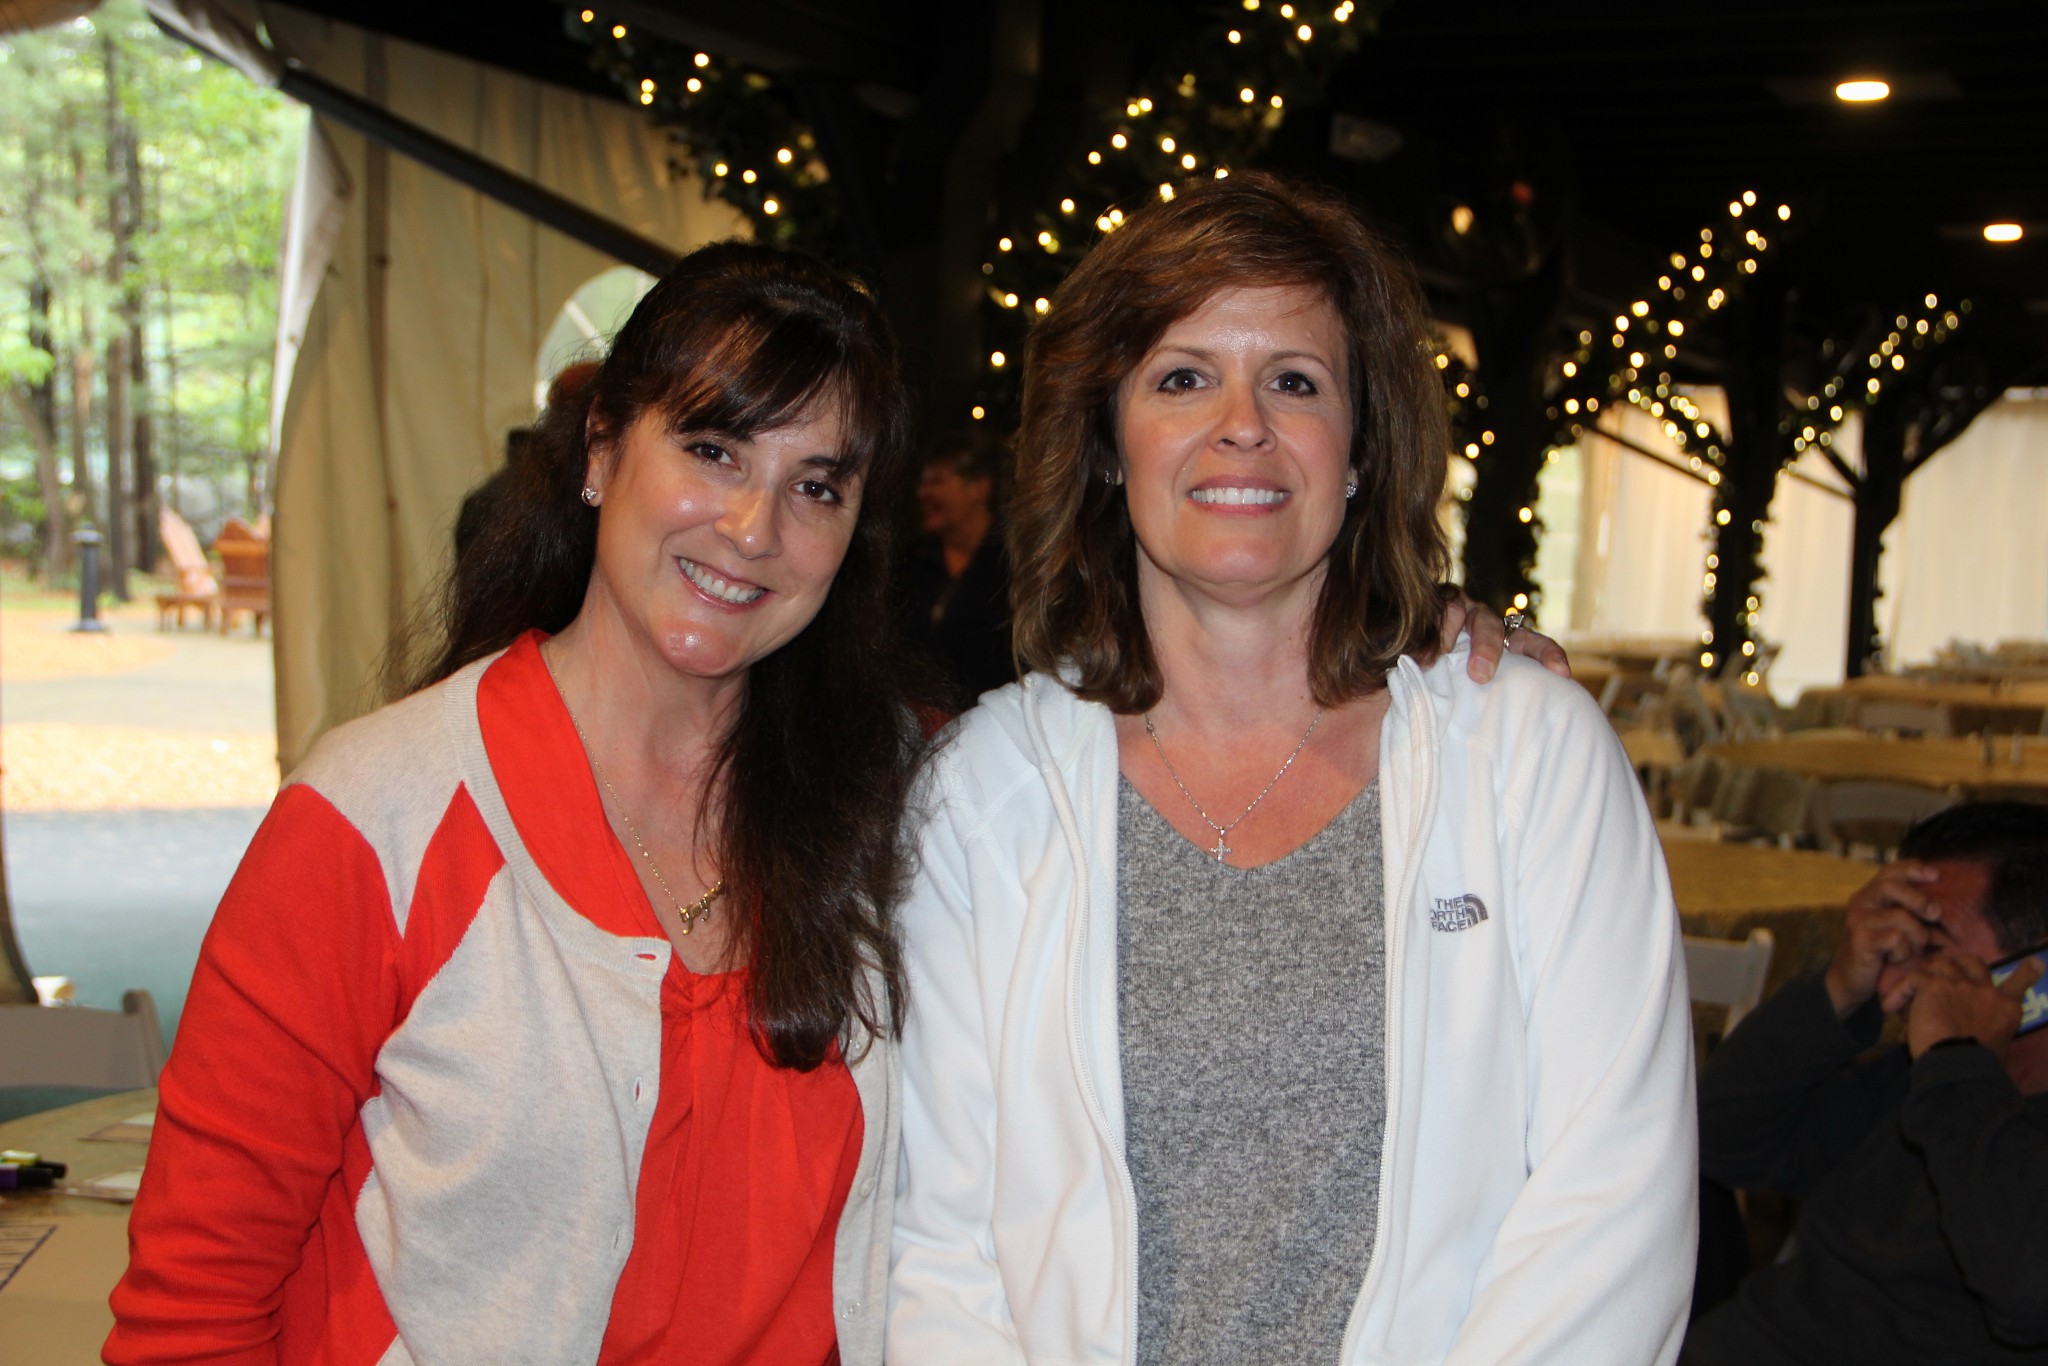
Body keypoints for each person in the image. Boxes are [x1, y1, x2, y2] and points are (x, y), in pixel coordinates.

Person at [887, 172, 1696, 1363]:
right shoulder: (981, 795)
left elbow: (1609, 1202)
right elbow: (938, 1245)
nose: (1242, 424)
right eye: (1181, 377)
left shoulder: (1526, 757)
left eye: (1294, 381)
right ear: (1106, 443)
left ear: (1359, 448)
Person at [107, 242, 925, 1365]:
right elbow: (191, 1309)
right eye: (712, 449)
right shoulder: (377, 815)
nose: (754, 527)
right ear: (601, 450)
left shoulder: (893, 814)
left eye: (815, 486)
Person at [1684, 802, 2048, 1366]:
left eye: (1929, 950)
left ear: (2038, 977)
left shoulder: (1953, 1081)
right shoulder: (1914, 1081)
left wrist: (1957, 1063)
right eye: (1891, 948)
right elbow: (1717, 1140)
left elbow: (2029, 1290)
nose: (1893, 982)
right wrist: (1839, 990)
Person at [895, 429, 1016, 705]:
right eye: (922, 483)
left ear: (979, 488)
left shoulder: (1014, 565)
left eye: (936, 481)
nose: (922, 493)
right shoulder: (912, 563)